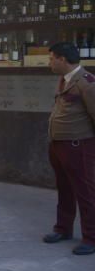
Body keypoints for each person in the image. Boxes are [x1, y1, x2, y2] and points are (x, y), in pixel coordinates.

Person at [44, 42, 95, 256]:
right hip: (59, 144)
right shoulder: (64, 79)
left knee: (86, 192)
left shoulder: (87, 83)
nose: (50, 62)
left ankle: (91, 238)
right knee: (64, 189)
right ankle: (63, 228)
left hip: (78, 145)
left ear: (63, 59)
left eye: (52, 58)